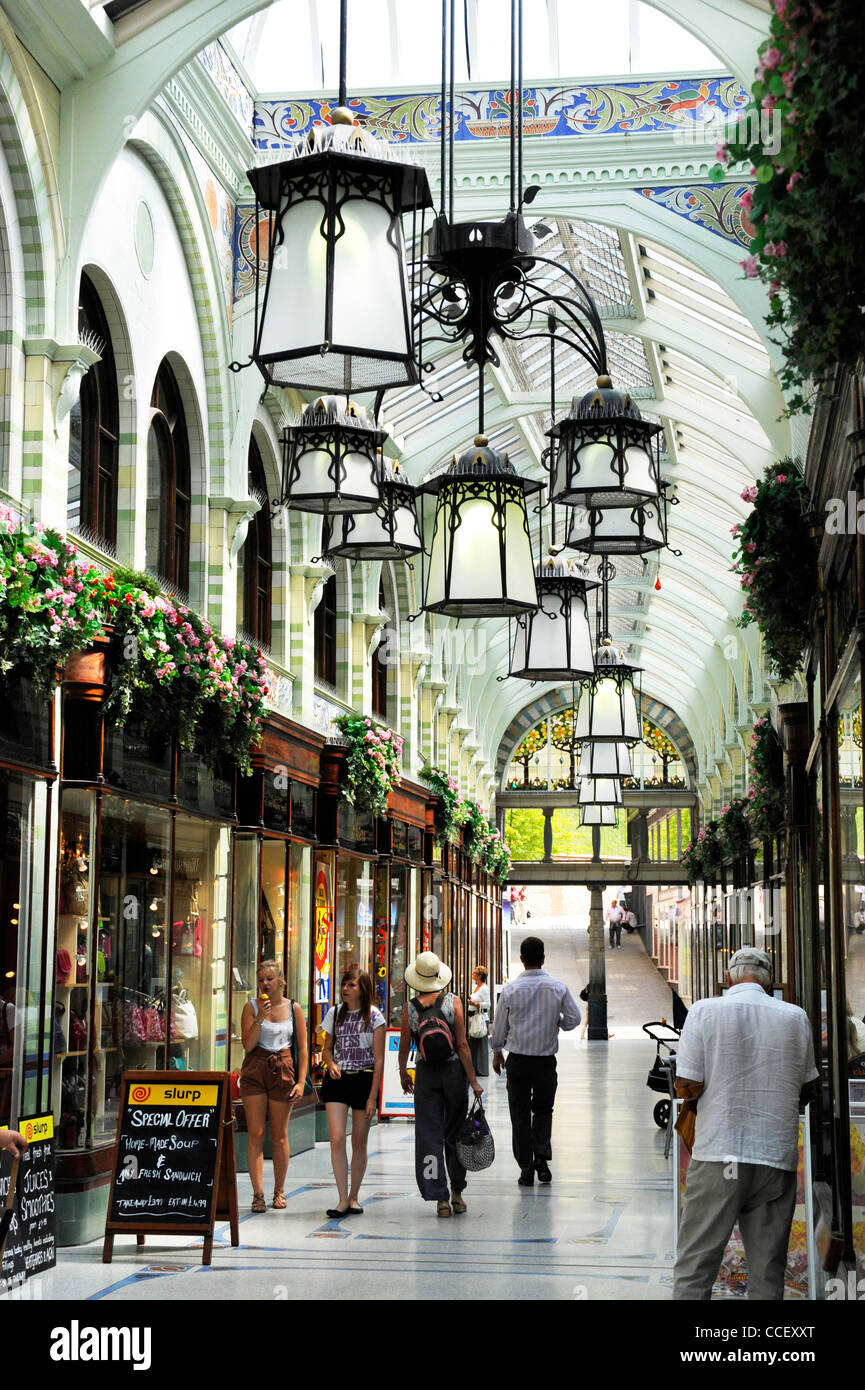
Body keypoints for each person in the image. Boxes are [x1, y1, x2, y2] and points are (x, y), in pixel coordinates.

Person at [673, 947, 819, 1300]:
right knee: (768, 1271)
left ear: (728, 979)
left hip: (718, 1157)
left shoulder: (704, 1011)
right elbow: (807, 1088)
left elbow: (686, 1085)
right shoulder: (796, 1017)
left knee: (696, 1265)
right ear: (770, 984)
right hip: (773, 1158)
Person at [398, 951, 483, 1217]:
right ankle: (457, 1193)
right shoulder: (453, 1002)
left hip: (425, 1074)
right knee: (456, 1132)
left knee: (428, 1135)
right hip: (453, 1072)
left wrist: (403, 1073)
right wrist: (473, 1080)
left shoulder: (410, 1008)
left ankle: (439, 1198)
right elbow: (462, 1044)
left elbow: (403, 1046)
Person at [491, 936, 580, 1186]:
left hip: (517, 1062)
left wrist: (497, 1051)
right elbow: (574, 1017)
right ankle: (542, 1159)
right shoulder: (557, 988)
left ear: (521, 960)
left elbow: (499, 1027)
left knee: (519, 1114)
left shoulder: (510, 990)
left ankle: (526, 1168)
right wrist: (558, 1023)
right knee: (543, 1111)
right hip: (545, 1063)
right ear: (543, 959)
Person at [238, 959, 307, 1213]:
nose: (265, 984)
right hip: (256, 1068)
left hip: (283, 1067)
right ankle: (257, 1194)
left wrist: (300, 1082)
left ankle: (279, 1190)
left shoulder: (294, 1008)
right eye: (260, 980)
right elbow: (247, 1045)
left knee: (279, 1135)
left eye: (269, 979)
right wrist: (261, 1017)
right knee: (255, 1133)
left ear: (281, 981)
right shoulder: (251, 1007)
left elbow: (302, 1047)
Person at [321, 966, 386, 1218]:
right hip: (338, 1080)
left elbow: (379, 1060)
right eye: (344, 985)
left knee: (359, 1141)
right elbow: (327, 1048)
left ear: (363, 989)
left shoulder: (374, 1016)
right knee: (337, 1138)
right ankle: (341, 1198)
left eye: (351, 985)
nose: (345, 989)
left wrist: (372, 1097)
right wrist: (331, 1063)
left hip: (364, 1080)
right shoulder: (334, 1013)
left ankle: (354, 1196)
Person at [468, 966, 491, 1078]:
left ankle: (482, 1070)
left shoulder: (484, 988)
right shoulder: (476, 987)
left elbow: (488, 1004)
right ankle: (475, 1068)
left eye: (475, 972)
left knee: (481, 1045)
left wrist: (475, 1004)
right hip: (474, 1018)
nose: (473, 974)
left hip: (481, 1019)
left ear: (480, 976)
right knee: (474, 1044)